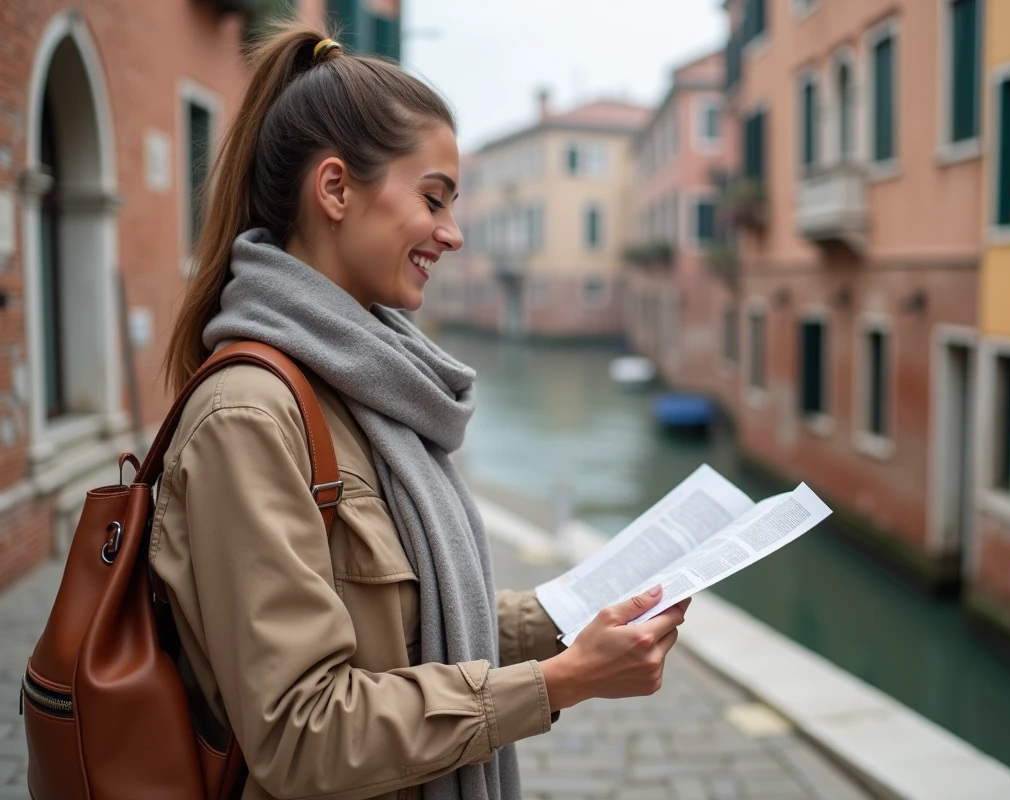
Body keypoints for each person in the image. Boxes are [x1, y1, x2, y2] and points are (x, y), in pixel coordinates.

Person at [153, 21, 688, 800]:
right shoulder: (250, 417)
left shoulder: (366, 392)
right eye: (433, 199)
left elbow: (414, 628)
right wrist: (557, 683)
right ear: (334, 189)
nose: (454, 233)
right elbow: (302, 732)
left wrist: (582, 609)